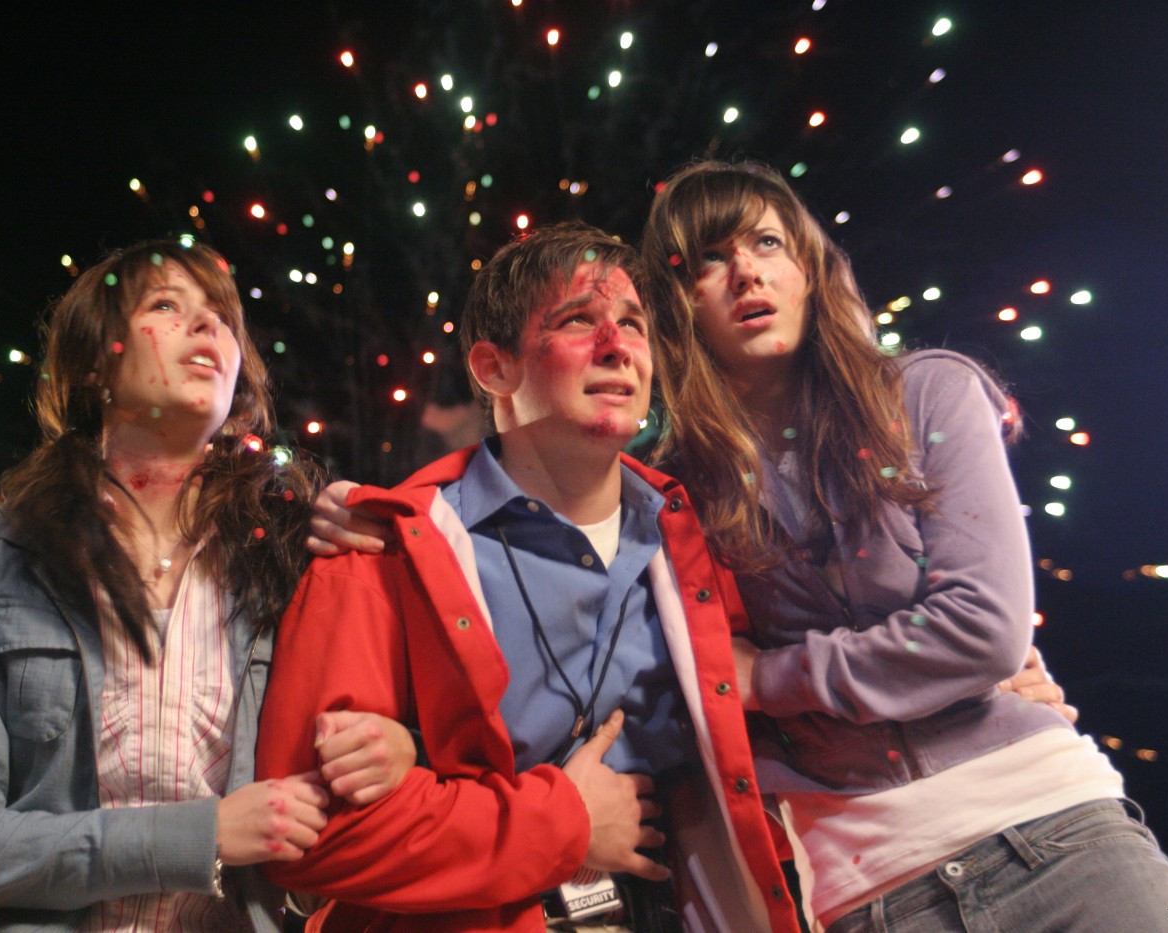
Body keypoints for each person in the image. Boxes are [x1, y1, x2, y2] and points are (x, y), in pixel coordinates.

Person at [638, 160, 1168, 932]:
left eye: (767, 242)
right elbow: (684, 704)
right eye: (708, 258)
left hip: (1056, 833)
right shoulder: (670, 495)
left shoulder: (926, 394)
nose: (745, 271)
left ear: (808, 268)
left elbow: (984, 628)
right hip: (867, 887)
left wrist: (771, 676)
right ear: (678, 306)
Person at [256, 223, 801, 933]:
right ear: (494, 369)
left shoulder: (697, 535)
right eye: (579, 320)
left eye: (633, 324)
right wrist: (562, 824)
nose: (618, 345)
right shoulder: (383, 549)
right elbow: (312, 836)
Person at [0, 240, 417, 932]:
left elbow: (368, 786)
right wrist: (200, 836)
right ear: (91, 364)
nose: (208, 327)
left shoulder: (295, 559)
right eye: (167, 305)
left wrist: (399, 747)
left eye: (221, 316)